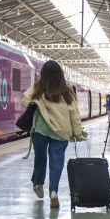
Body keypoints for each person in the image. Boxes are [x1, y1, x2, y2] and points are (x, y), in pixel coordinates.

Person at [21, 60, 86, 208]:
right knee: (56, 162)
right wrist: (77, 133)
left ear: (43, 74)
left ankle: (38, 184)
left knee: (41, 158)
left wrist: (39, 104)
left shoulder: (38, 88)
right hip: (61, 131)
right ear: (60, 74)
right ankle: (53, 193)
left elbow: (25, 101)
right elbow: (74, 114)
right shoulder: (67, 91)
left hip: (40, 130)